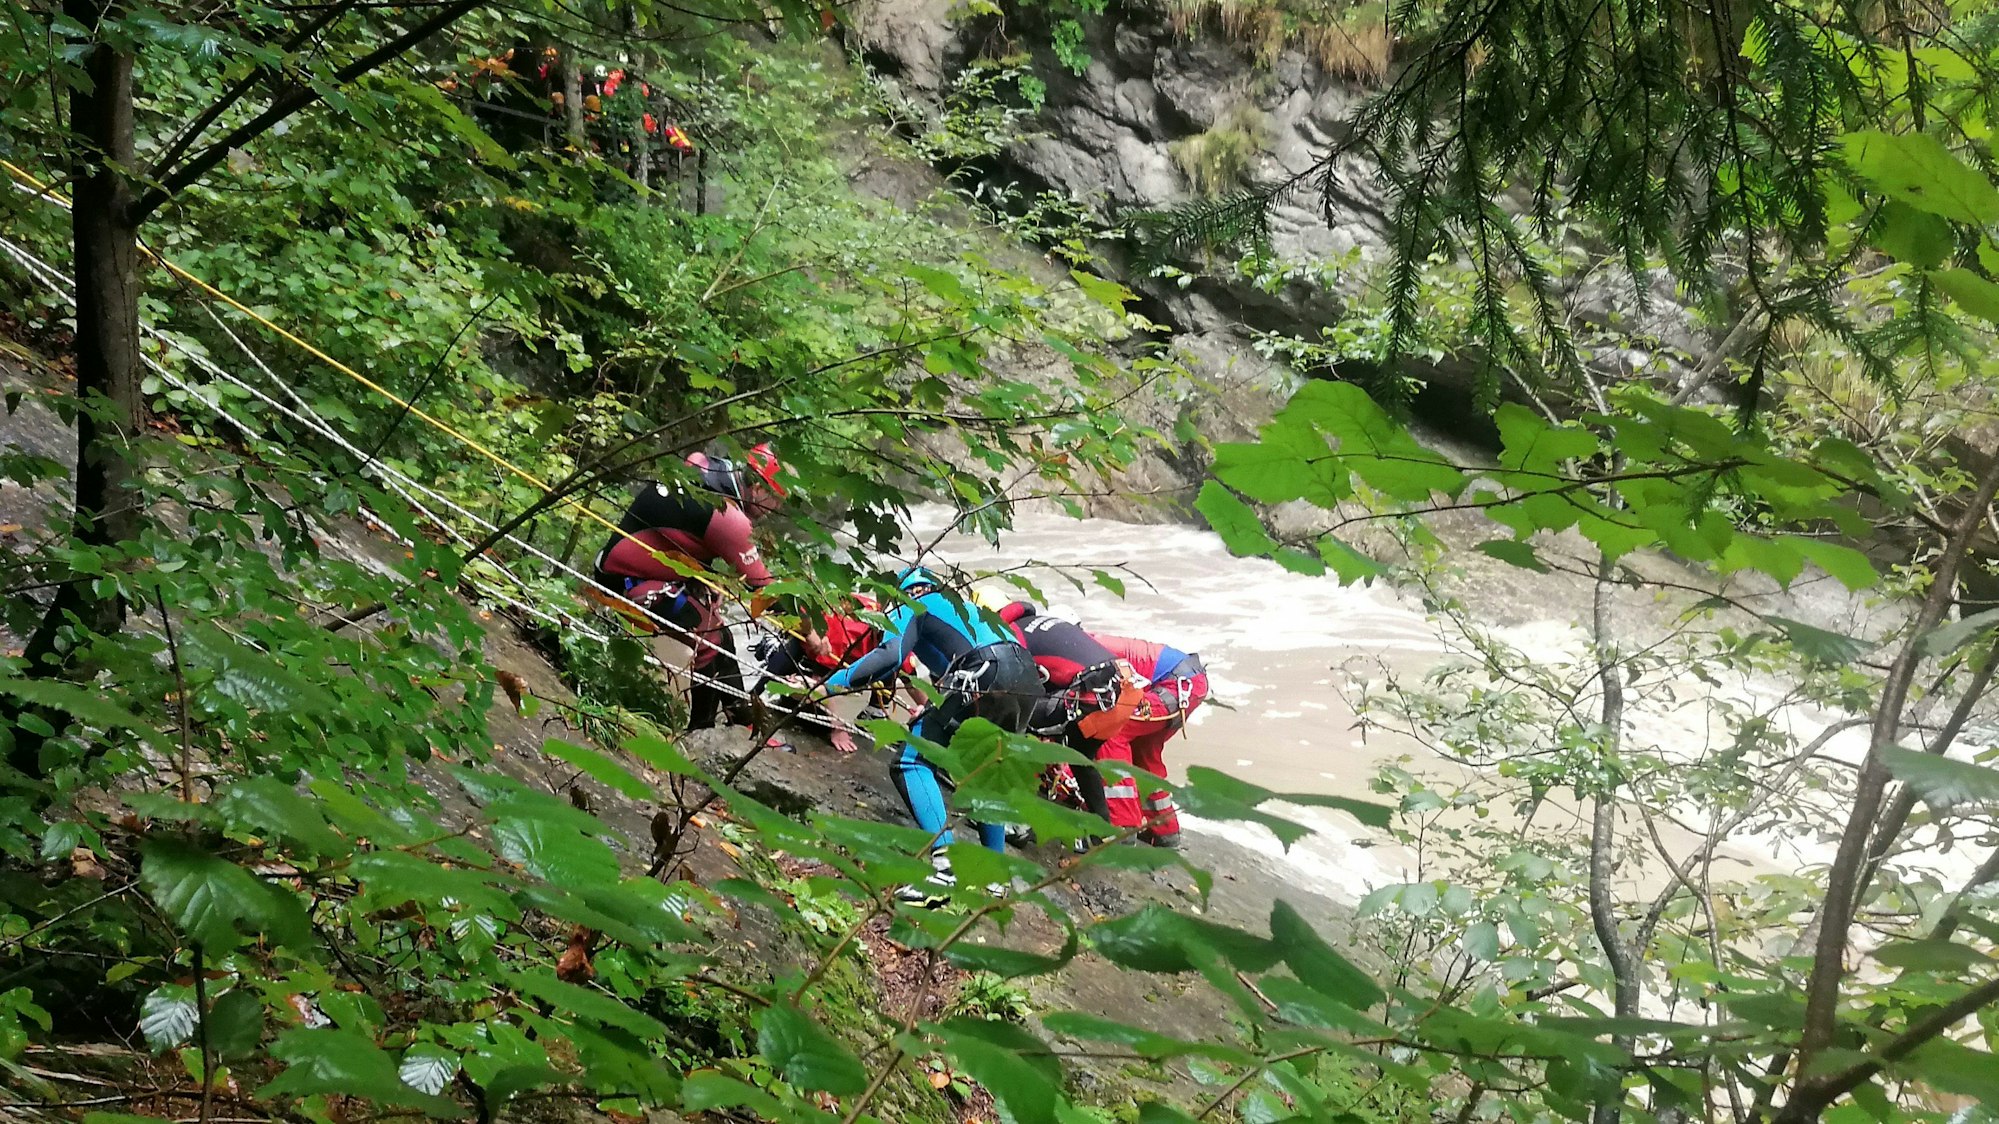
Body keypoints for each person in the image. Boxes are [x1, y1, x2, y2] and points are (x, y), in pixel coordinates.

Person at [818, 567, 1040, 904]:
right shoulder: (961, 607)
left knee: (911, 762)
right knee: (981, 772)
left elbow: (890, 656)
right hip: (1024, 676)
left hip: (982, 672)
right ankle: (995, 877)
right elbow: (948, 668)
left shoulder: (916, 602)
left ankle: (945, 867)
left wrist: (834, 683)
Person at [588, 445, 786, 730]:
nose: (776, 508)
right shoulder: (729, 519)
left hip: (629, 569)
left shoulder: (701, 466)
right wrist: (813, 637)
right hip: (627, 583)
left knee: (724, 638)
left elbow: (678, 528)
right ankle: (700, 732)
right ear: (756, 487)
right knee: (709, 642)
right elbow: (764, 589)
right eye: (776, 499)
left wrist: (701, 577)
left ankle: (743, 722)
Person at [988, 600, 1143, 829]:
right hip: (1126, 690)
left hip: (1095, 695)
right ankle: (1102, 830)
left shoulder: (1010, 637)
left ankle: (1018, 823)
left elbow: (1012, 689)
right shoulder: (1042, 623)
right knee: (1080, 755)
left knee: (1011, 719)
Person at [1088, 632, 1209, 848]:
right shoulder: (1082, 641)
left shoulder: (1080, 651)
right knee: (1143, 750)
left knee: (1111, 732)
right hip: (1187, 683)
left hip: (1176, 686)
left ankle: (1121, 828)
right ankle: (1164, 831)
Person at [748, 594, 907, 754]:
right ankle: (773, 649)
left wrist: (924, 710)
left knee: (890, 667)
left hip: (847, 644)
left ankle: (873, 713)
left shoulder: (902, 639)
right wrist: (837, 729)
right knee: (812, 717)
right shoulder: (848, 634)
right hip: (813, 641)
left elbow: (909, 676)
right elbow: (823, 682)